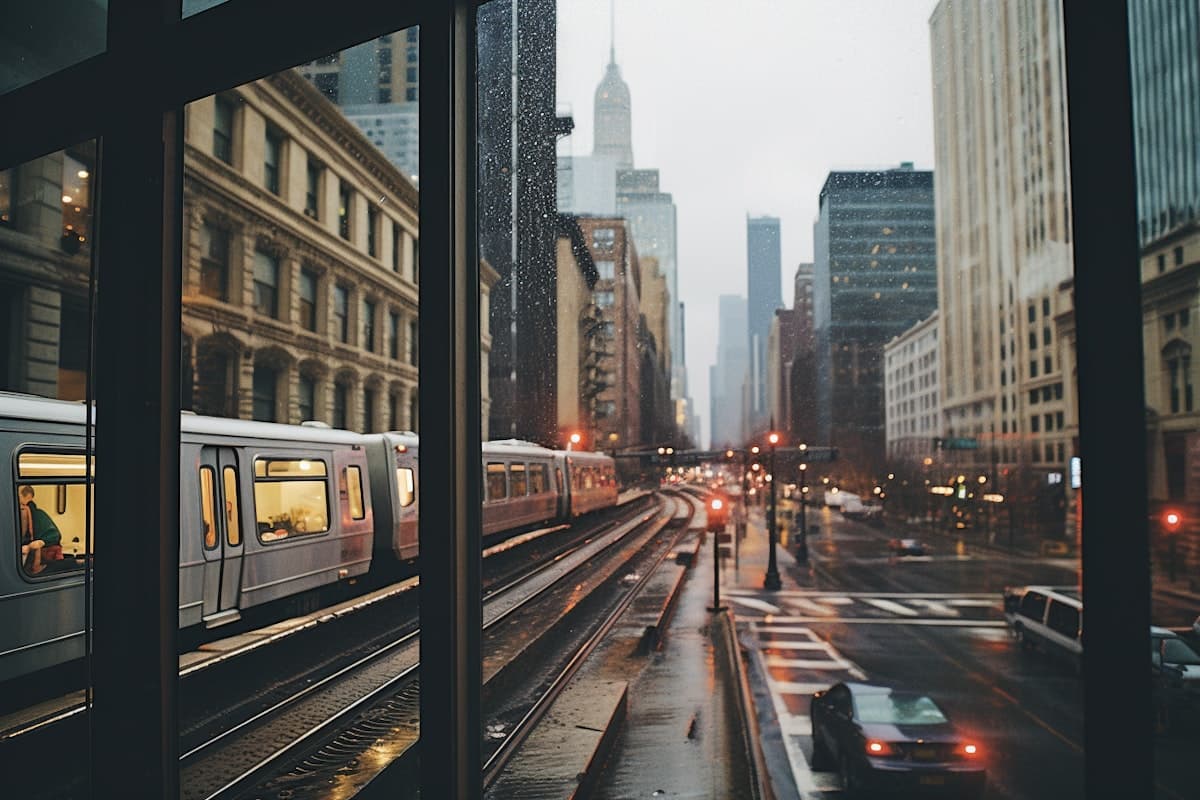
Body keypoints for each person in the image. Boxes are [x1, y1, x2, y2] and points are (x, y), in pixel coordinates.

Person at [18, 485, 62, 575]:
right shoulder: (31, 513)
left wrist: (39, 543)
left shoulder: (32, 514)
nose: (23, 508)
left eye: (23, 505)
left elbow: (53, 536)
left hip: (46, 551)